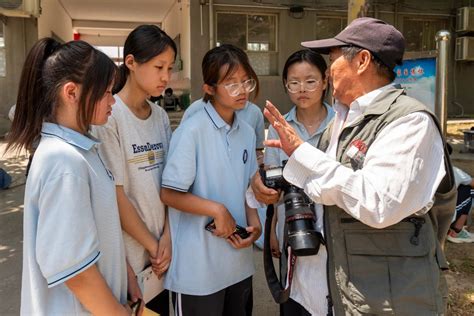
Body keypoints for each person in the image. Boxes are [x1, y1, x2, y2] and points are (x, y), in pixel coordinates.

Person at [251, 17, 456, 315]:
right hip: (330, 284)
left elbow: (377, 203)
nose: (329, 72)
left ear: (361, 61)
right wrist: (262, 185)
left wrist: (302, 153)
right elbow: (319, 185)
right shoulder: (346, 117)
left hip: (382, 296)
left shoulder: (410, 122)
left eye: (333, 60)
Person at [6, 38, 130, 315]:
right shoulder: (63, 162)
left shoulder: (82, 150)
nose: (113, 101)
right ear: (71, 92)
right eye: (107, 92)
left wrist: (127, 275)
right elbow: (76, 272)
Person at [160, 44, 261, 315]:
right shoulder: (192, 131)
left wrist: (255, 225)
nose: (242, 90)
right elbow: (169, 194)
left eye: (245, 81)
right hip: (197, 271)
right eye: (231, 84)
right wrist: (216, 209)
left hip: (238, 264)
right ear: (209, 88)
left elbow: (247, 188)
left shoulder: (247, 132)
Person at [92, 24, 176, 315]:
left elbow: (170, 184)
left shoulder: (161, 117)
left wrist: (167, 236)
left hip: (163, 253)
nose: (166, 76)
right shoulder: (110, 118)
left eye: (170, 67)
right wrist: (153, 246)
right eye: (158, 66)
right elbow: (116, 195)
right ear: (130, 63)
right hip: (130, 258)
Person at [263, 49, 334, 316]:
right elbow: (274, 183)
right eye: (294, 82)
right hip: (293, 228)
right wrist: (273, 229)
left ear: (325, 81)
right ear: (285, 84)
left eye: (310, 81)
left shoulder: (341, 123)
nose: (301, 89)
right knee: (294, 298)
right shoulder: (279, 127)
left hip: (332, 229)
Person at [446, 144, 474, 243]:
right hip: (442, 215)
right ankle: (456, 232)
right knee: (470, 190)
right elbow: (472, 183)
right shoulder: (453, 171)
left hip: (422, 214)